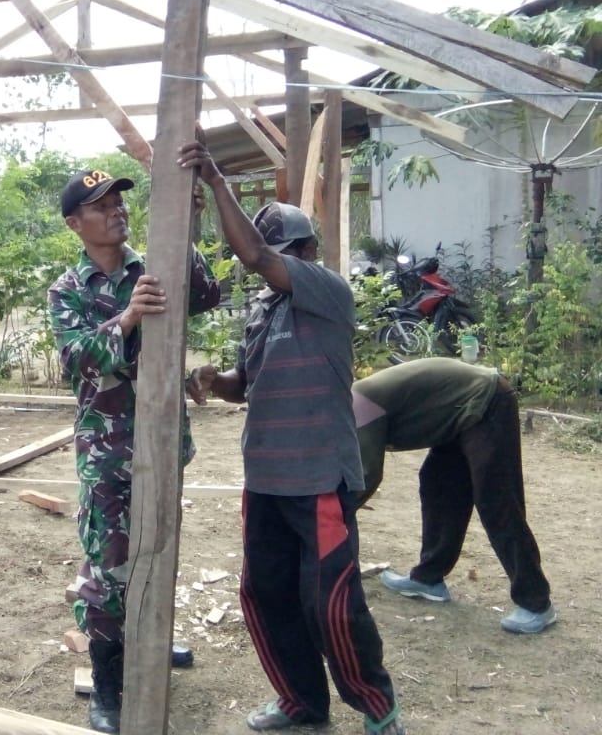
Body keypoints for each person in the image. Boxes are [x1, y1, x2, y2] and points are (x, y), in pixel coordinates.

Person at [179, 141, 405, 735]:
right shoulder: (262, 310)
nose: (272, 268)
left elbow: (255, 255)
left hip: (319, 477)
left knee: (331, 603)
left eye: (285, 256)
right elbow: (245, 384)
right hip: (266, 479)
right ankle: (302, 701)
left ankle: (376, 705)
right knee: (268, 593)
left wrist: (216, 181)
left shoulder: (328, 292)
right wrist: (215, 381)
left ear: (307, 253)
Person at [49, 168, 221, 733]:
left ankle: (150, 643)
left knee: (158, 548)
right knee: (108, 566)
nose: (116, 211)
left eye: (119, 201)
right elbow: (76, 359)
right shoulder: (68, 290)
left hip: (164, 440)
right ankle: (107, 682)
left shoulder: (154, 266)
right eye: (101, 206)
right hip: (108, 451)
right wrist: (127, 318)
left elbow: (207, 294)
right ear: (75, 224)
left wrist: (188, 227)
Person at [352, 357, 556, 634]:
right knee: (439, 487)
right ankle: (429, 578)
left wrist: (337, 514)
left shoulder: (358, 406)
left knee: (496, 500)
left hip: (486, 399)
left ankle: (537, 603)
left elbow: (367, 474)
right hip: (455, 416)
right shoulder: (350, 404)